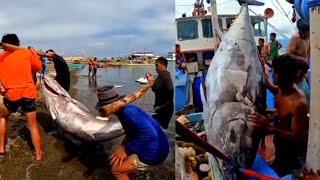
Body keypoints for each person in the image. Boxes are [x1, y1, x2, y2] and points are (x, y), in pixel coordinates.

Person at [249, 54, 308, 176]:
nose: (273, 74)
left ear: (279, 75)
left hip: (292, 153)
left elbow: (297, 135)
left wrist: (271, 127)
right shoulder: (283, 88)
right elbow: (275, 94)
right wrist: (259, 67)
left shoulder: (298, 102)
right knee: (277, 165)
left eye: (275, 72)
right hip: (280, 147)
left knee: (288, 173)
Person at [95, 86, 169, 180]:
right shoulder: (128, 108)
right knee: (122, 152)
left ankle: (128, 172)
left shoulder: (127, 113)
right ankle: (132, 173)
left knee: (116, 170)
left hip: (156, 153)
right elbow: (135, 132)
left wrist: (125, 149)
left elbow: (150, 134)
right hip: (160, 147)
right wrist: (123, 146)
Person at [0, 34, 43, 160]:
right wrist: (33, 52)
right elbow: (38, 68)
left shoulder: (1, 58)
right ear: (17, 43)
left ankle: (1, 149)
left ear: (4, 45)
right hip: (28, 92)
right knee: (32, 126)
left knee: (2, 116)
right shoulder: (26, 53)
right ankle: (38, 155)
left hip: (12, 94)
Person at [146, 57, 174, 129]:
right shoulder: (166, 74)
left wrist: (149, 80)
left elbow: (155, 89)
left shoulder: (162, 75)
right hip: (168, 108)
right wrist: (152, 80)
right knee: (159, 129)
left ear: (162, 66)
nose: (155, 67)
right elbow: (159, 87)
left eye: (157, 65)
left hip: (162, 110)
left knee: (155, 128)